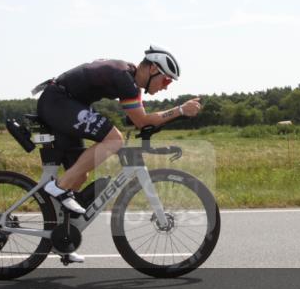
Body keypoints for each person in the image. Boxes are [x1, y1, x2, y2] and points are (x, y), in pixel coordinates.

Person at [33, 46, 202, 261]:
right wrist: (179, 111)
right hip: (58, 102)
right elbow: (141, 121)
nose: (166, 87)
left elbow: (136, 120)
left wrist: (175, 115)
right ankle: (58, 187)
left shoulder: (129, 81)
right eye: (166, 80)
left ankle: (62, 237)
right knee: (114, 139)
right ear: (152, 69)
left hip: (65, 104)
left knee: (80, 175)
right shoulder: (125, 79)